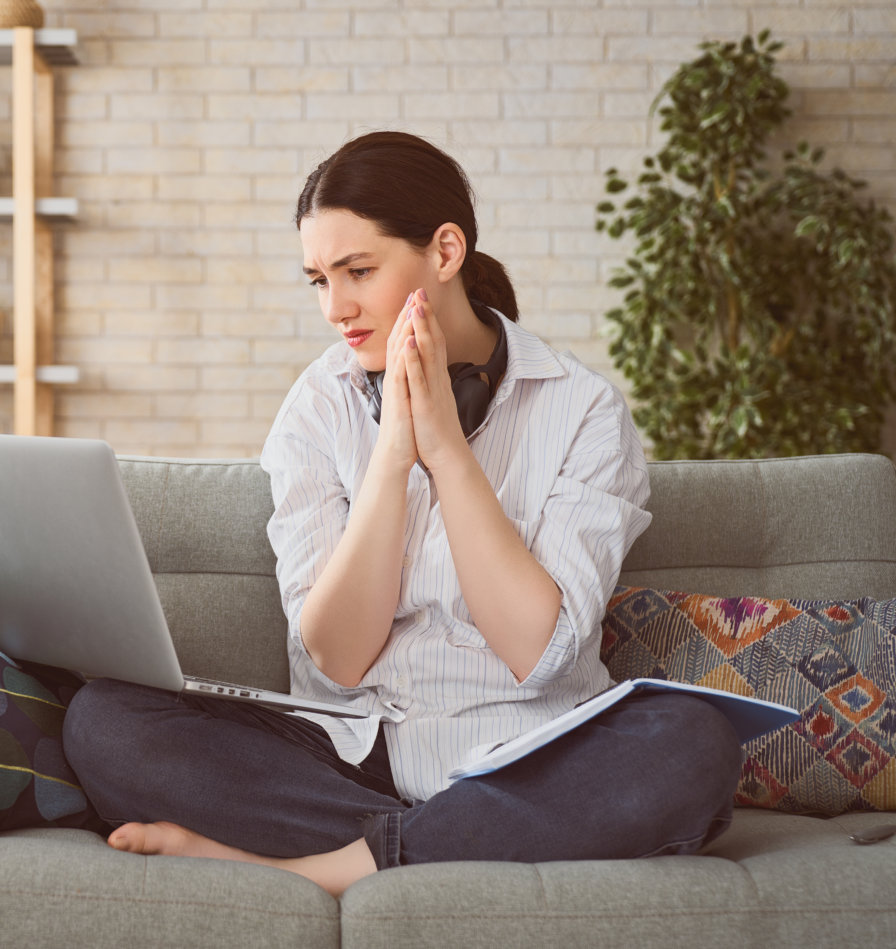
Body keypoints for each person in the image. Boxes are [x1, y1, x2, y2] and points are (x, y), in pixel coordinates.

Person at [61, 131, 742, 897]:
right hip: (350, 756)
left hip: (527, 756)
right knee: (103, 719)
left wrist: (448, 452)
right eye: (318, 279)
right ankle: (452, 841)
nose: (335, 308)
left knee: (691, 745)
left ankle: (331, 867)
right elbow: (337, 659)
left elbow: (538, 651)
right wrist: (391, 457)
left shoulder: (582, 411)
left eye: (358, 271)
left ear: (445, 251)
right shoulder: (317, 409)